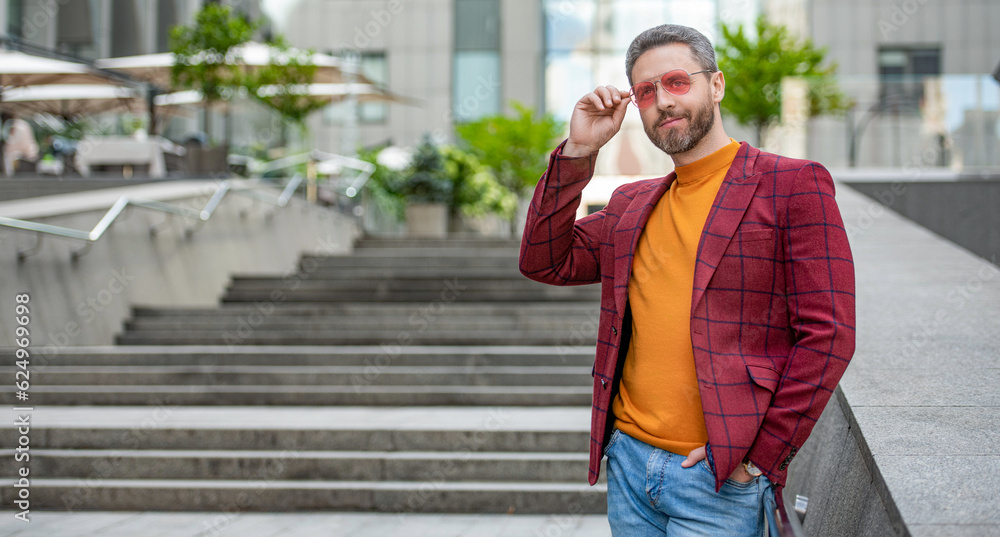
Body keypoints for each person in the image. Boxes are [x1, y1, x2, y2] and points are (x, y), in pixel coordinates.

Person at [519, 24, 855, 536]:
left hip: (720, 480)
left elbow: (829, 335)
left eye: (677, 82)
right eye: (646, 91)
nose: (663, 101)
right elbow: (545, 260)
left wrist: (759, 458)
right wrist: (579, 153)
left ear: (715, 85)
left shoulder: (792, 185)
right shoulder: (632, 203)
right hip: (629, 463)